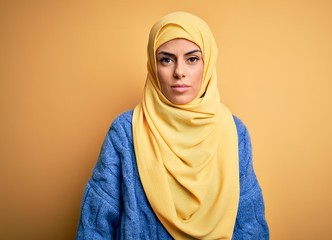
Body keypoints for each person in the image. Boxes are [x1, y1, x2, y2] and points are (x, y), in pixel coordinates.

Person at [76, 12, 269, 239]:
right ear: (152, 65)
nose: (179, 72)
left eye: (192, 59)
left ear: (207, 65)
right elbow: (95, 228)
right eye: (166, 59)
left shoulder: (235, 133)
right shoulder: (125, 132)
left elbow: (250, 227)